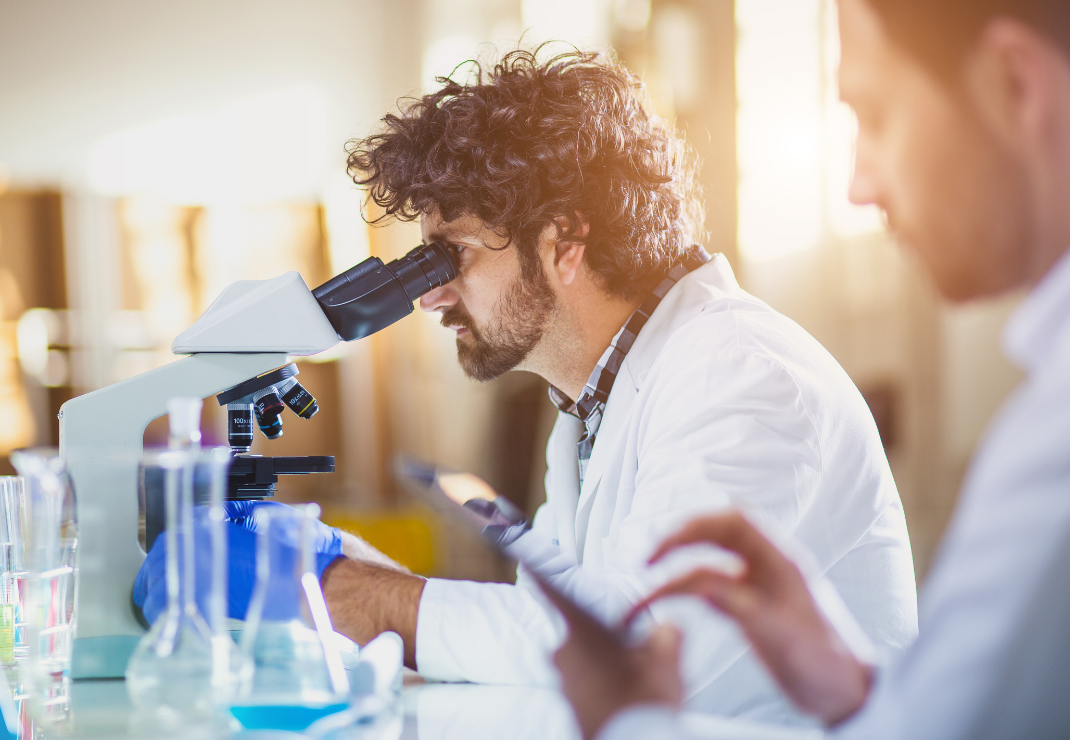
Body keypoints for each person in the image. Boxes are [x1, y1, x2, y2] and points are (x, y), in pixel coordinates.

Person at [135, 48, 917, 724]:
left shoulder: (742, 376)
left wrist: (370, 596)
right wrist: (362, 574)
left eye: (449, 258)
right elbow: (549, 636)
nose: (431, 297)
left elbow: (636, 647)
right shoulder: (592, 403)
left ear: (565, 239)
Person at [550, 1, 1070, 738]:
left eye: (875, 115)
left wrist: (628, 720)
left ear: (1016, 85)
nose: (858, 184)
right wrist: (851, 686)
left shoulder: (1053, 443)